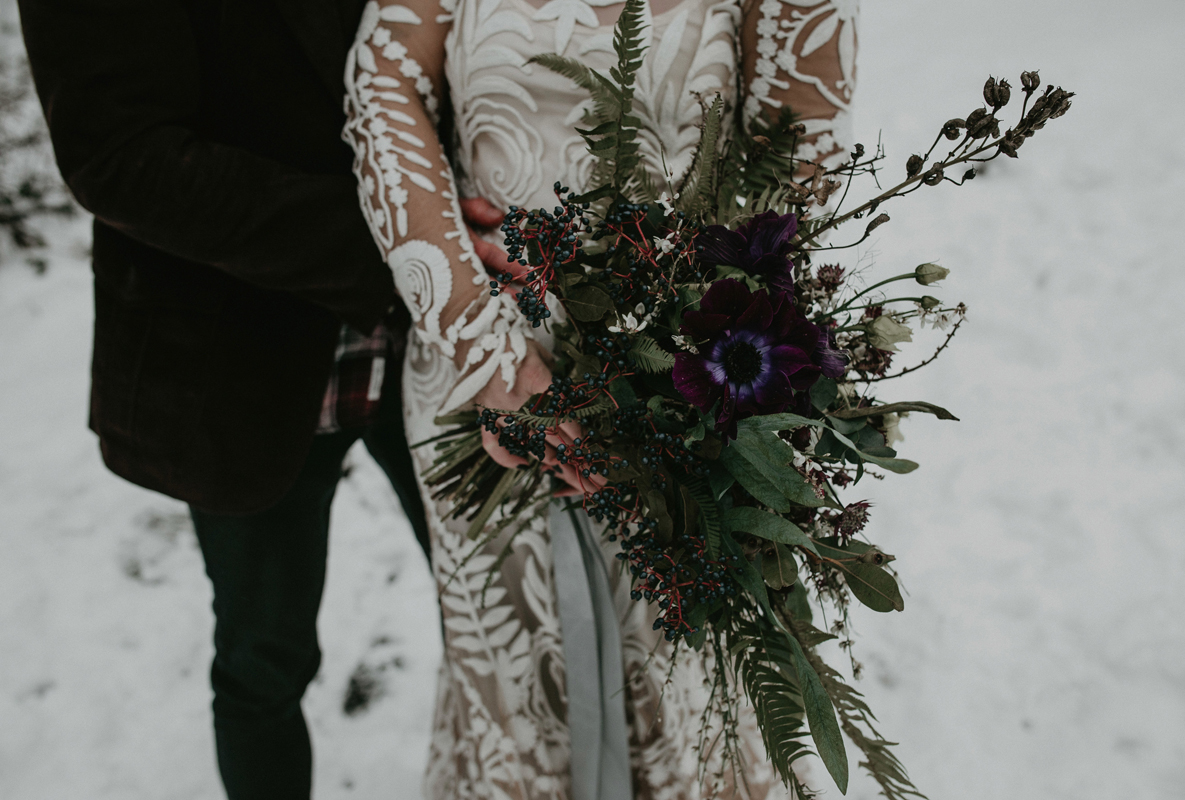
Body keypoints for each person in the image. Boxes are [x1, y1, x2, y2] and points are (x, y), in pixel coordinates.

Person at [342, 0, 858, 796]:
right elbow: (384, 86)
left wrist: (674, 367)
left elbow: (795, 167)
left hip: (686, 392)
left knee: (685, 689)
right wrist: (480, 338)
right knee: (516, 692)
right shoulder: (476, 347)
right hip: (477, 380)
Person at [15, 2, 493, 798]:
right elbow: (119, 155)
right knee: (264, 658)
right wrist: (405, 247)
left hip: (442, 352)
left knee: (498, 624)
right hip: (239, 367)